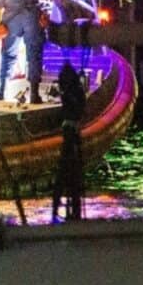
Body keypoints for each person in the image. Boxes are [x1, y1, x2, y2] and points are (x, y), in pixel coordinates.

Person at [0, 0, 45, 104]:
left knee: (8, 54)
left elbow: (1, 0)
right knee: (34, 54)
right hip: (31, 17)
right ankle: (34, 94)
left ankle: (1, 90)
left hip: (11, 19)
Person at [52, 61, 86, 221]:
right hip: (74, 132)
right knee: (75, 174)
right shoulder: (77, 91)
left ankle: (56, 208)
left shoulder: (69, 93)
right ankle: (75, 209)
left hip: (69, 132)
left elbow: (68, 111)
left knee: (63, 172)